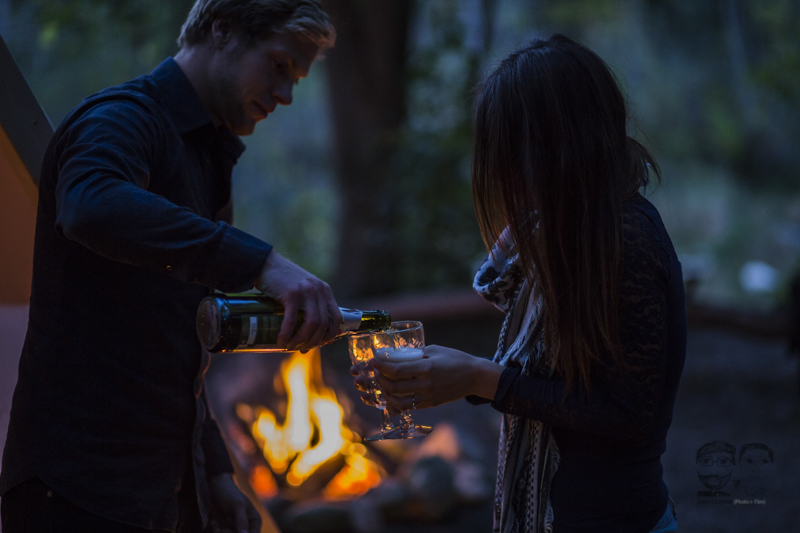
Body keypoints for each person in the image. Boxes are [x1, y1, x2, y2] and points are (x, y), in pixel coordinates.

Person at [1, 1, 340, 532]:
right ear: (223, 31)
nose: (285, 95)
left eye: (295, 79)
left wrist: (215, 472)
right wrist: (261, 261)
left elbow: (173, 341)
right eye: (278, 67)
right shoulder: (122, 118)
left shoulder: (207, 157)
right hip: (76, 491)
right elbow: (91, 204)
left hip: (163, 491)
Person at [361, 34, 687, 532]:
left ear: (556, 144)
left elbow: (628, 413)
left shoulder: (626, 239)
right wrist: (452, 377)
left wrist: (479, 378)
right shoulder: (565, 232)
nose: (503, 171)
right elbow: (552, 382)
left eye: (511, 149)